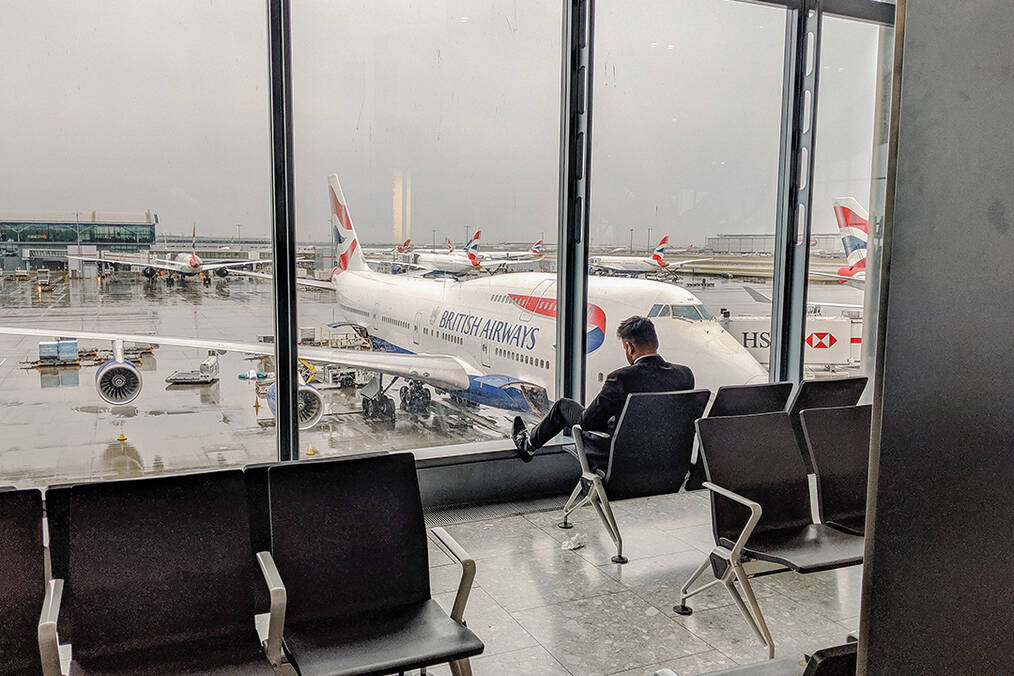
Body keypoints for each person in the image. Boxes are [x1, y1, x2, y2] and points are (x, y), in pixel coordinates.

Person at [512, 315, 695, 467]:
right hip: (667, 461)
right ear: (656, 342)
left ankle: (528, 445)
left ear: (630, 347)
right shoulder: (684, 374)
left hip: (622, 462)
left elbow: (588, 422)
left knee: (563, 406)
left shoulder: (620, 379)